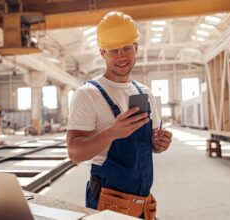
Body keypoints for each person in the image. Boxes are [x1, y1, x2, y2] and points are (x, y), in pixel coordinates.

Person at [66, 11, 173, 220]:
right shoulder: (88, 94)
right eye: (114, 51)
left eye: (126, 48)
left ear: (136, 48)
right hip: (107, 204)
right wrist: (112, 133)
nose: (122, 56)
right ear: (102, 53)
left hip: (143, 204)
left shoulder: (145, 93)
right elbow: (74, 154)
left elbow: (148, 147)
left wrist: (159, 144)